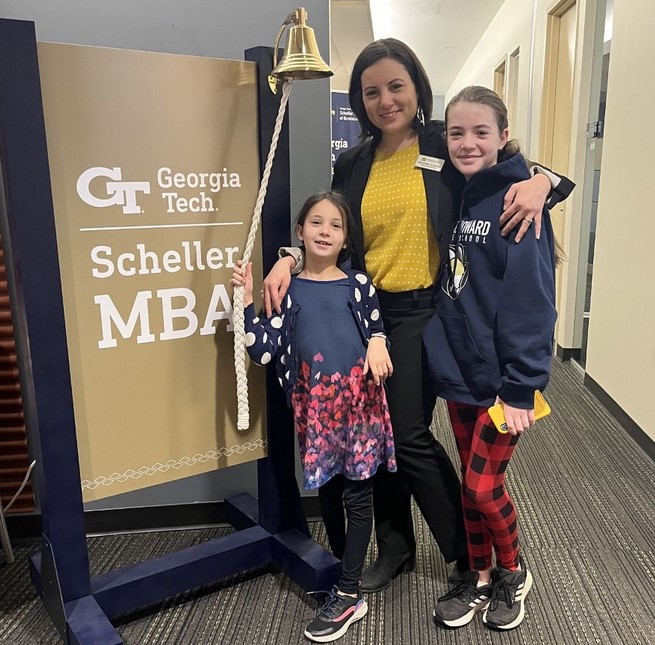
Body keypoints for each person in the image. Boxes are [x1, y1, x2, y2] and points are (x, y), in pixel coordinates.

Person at [262, 38, 575, 594]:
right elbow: (332, 227)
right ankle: (398, 546)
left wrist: (544, 181)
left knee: (407, 435)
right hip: (365, 309)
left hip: (425, 310)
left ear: (418, 88)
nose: (386, 100)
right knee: (376, 432)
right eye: (372, 91)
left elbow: (501, 162)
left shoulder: (443, 140)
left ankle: (465, 553)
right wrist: (290, 256)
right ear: (360, 102)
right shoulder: (353, 161)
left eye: (396, 86)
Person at [424, 85, 561, 631]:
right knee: (469, 480)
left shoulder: (518, 199)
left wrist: (523, 383)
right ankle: (478, 575)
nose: (467, 142)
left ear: (503, 137)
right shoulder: (448, 188)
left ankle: (512, 571)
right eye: (456, 132)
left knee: (485, 486)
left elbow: (533, 296)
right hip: (458, 369)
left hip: (504, 379)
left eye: (481, 131)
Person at [231, 190, 397, 643]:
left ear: (346, 240)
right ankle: (347, 571)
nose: (325, 231)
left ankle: (347, 590)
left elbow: (376, 328)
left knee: (358, 498)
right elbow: (262, 348)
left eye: (336, 226)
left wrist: (379, 340)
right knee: (327, 494)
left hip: (359, 407)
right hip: (317, 414)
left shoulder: (359, 285)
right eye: (317, 223)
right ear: (300, 232)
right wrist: (246, 302)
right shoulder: (288, 290)